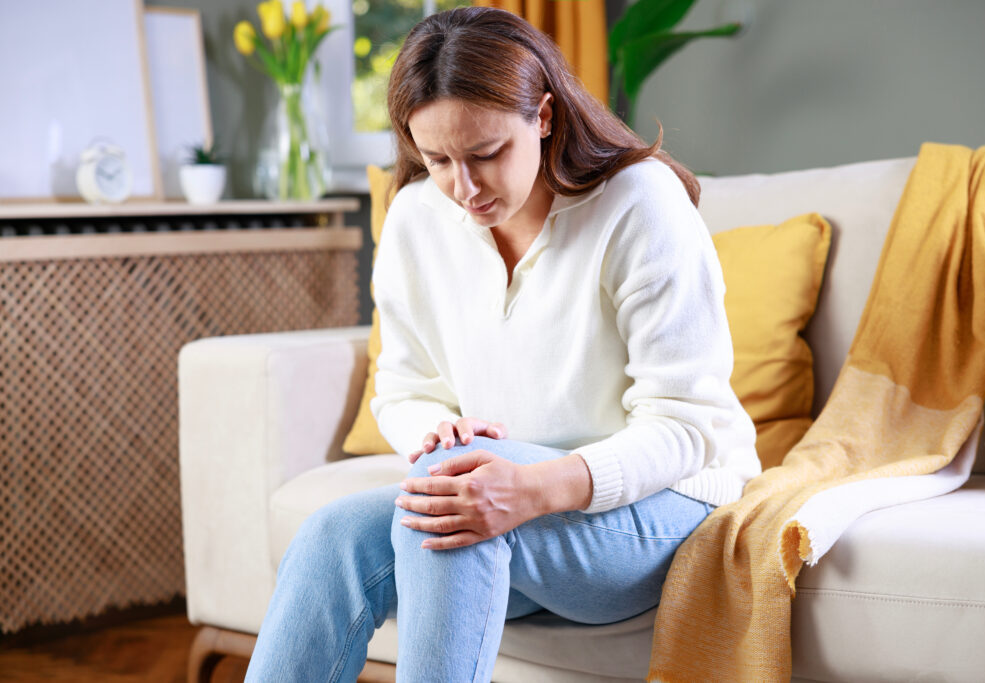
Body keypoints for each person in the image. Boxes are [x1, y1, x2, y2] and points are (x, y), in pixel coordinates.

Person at [245, 6, 760, 682]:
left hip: (664, 506)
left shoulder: (641, 204)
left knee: (452, 503)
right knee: (330, 538)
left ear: (542, 117)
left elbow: (686, 425)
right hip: (509, 495)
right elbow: (404, 388)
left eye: (487, 154)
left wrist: (534, 487)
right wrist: (438, 430)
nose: (465, 188)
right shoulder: (417, 216)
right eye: (437, 160)